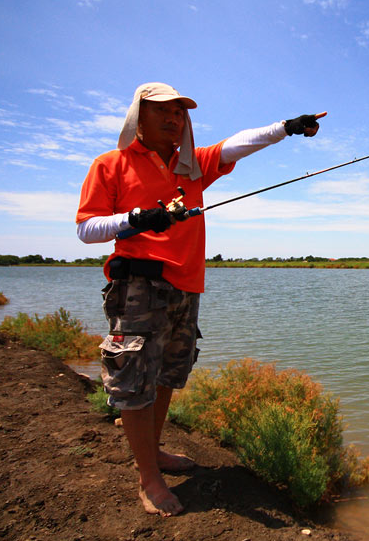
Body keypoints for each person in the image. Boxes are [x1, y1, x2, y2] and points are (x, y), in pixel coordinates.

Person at [76, 82, 325, 516]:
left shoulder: (192, 166)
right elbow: (85, 229)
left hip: (187, 288)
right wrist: (135, 220)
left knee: (170, 376)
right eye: (164, 112)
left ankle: (153, 454)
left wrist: (286, 127)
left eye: (181, 113)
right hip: (139, 289)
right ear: (139, 117)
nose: (175, 119)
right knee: (134, 386)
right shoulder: (111, 164)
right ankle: (148, 479)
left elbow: (238, 144)